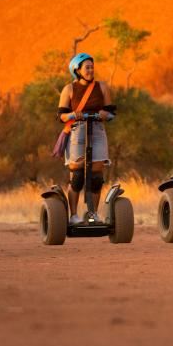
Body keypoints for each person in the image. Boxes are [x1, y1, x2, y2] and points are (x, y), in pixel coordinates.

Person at [57, 52, 116, 224]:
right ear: (77, 70)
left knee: (96, 176)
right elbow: (61, 116)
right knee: (77, 176)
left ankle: (92, 214)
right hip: (77, 131)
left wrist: (105, 114)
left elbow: (112, 113)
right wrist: (73, 115)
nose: (91, 70)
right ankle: (74, 215)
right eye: (87, 68)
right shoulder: (69, 89)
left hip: (97, 130)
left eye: (92, 67)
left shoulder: (102, 87)